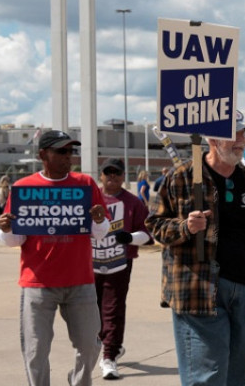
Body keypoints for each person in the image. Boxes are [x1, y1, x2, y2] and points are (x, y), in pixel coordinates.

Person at [144, 119, 245, 386]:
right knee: (208, 375)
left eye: (243, 135)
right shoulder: (181, 177)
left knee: (240, 370)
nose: (241, 141)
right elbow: (154, 226)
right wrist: (185, 227)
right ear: (212, 140)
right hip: (201, 290)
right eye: (234, 135)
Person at [0, 130, 110, 386]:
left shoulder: (85, 185)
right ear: (42, 155)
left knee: (90, 346)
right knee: (35, 351)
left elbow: (100, 234)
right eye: (61, 151)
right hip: (38, 284)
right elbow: (14, 240)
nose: (68, 157)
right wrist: (6, 229)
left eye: (70, 151)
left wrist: (100, 220)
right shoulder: (24, 189)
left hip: (80, 281)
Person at [92, 159, 152, 380]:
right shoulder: (91, 198)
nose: (112, 177)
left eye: (116, 173)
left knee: (113, 309)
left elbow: (147, 234)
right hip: (90, 264)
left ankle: (109, 356)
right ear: (101, 176)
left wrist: (130, 238)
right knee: (91, 310)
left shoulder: (133, 202)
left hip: (120, 263)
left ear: (123, 176)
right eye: (108, 173)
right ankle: (111, 345)